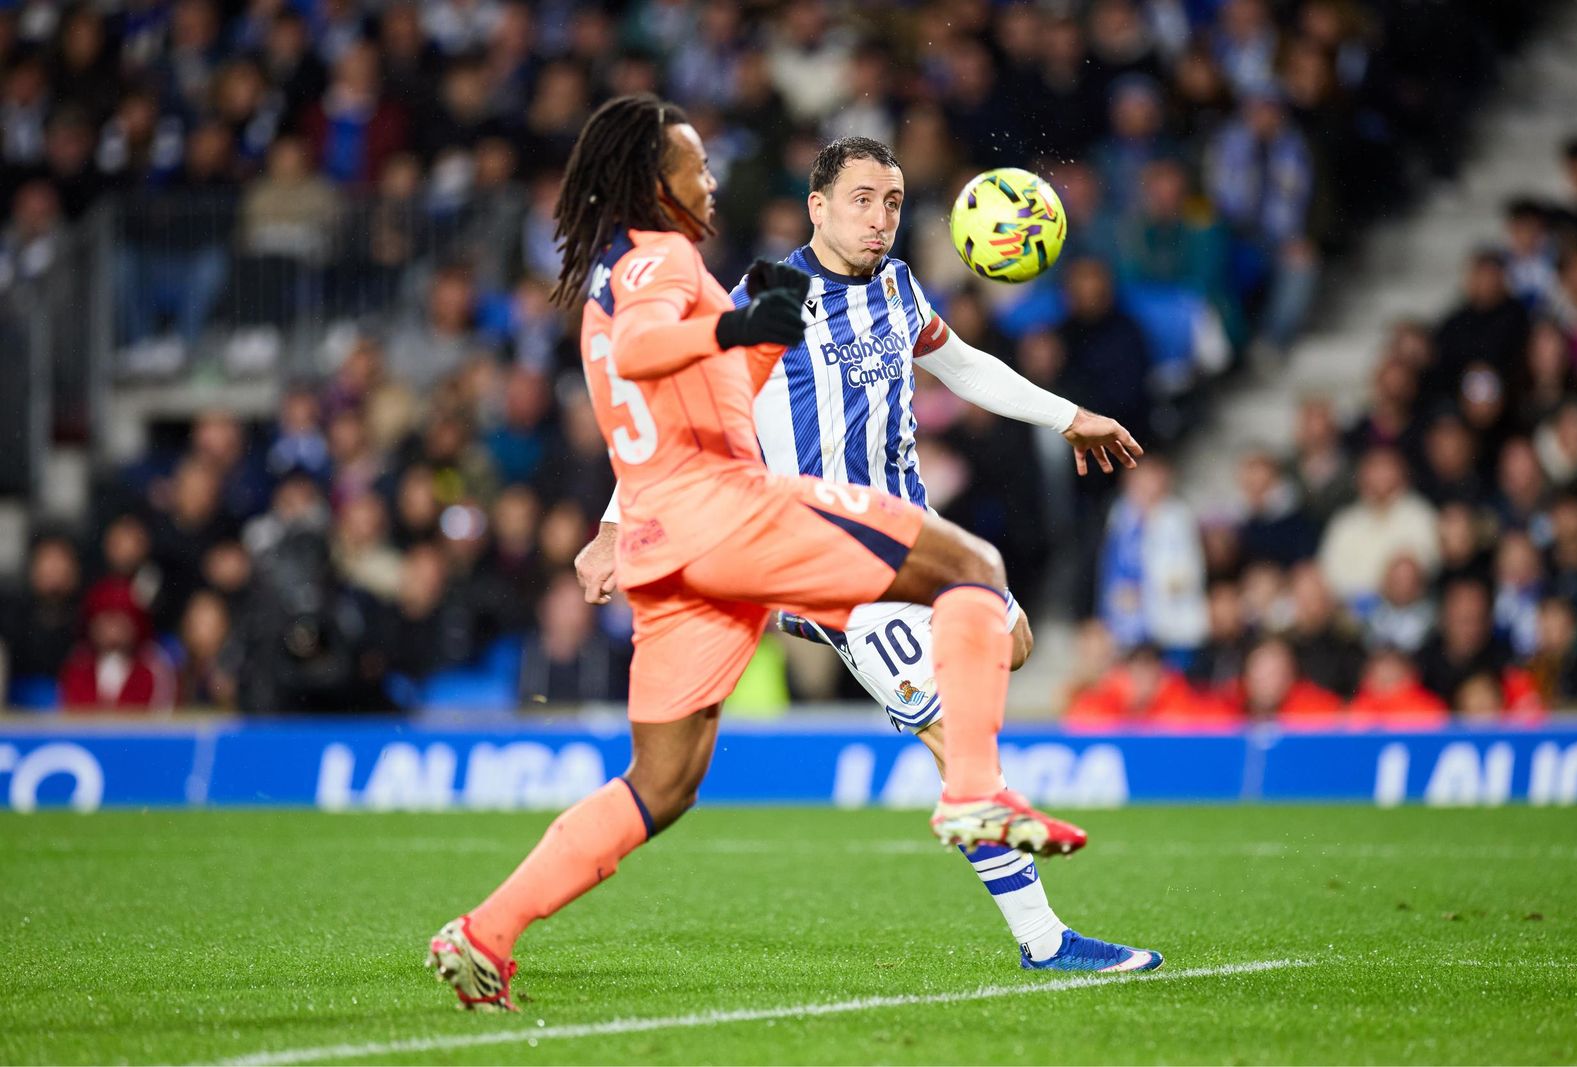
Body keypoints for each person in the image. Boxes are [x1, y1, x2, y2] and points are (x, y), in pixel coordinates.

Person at [426, 98, 1158, 1012]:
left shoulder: (889, 289)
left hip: (720, 540)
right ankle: (1031, 911)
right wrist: (718, 357)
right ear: (818, 206)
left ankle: (484, 932)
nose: (882, 218)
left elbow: (951, 364)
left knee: (667, 780)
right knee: (969, 603)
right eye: (863, 200)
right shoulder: (744, 284)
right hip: (803, 542)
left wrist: (1066, 412)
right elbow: (669, 363)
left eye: (894, 203)